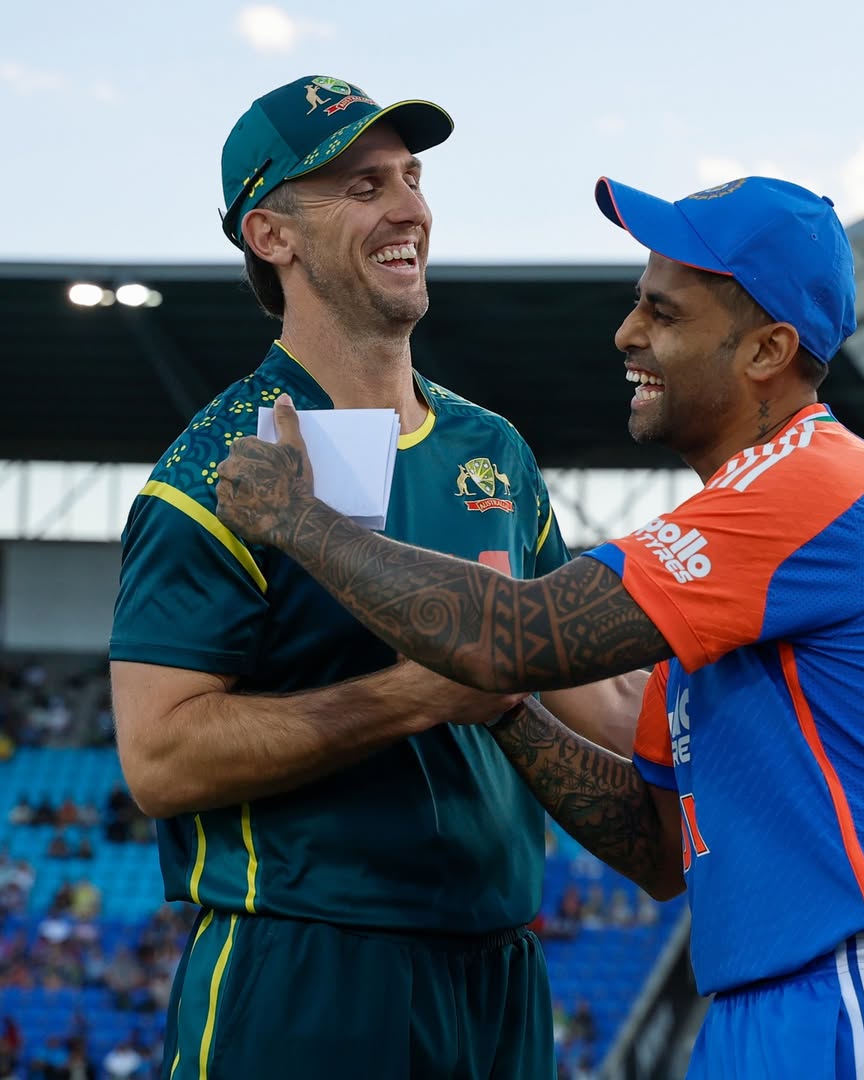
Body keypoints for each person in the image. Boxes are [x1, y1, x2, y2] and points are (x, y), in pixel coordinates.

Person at [216, 174, 864, 1077]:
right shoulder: (732, 561)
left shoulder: (807, 484)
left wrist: (302, 522)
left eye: (663, 314)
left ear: (766, 351)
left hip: (860, 999)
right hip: (779, 1007)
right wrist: (509, 713)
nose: (627, 333)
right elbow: (660, 846)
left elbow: (515, 633)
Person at [109, 73, 644, 1080]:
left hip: (499, 972)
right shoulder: (218, 467)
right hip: (309, 967)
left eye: (410, 176)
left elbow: (607, 699)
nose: (409, 209)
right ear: (273, 234)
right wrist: (410, 695)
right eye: (361, 186)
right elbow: (161, 759)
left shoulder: (494, 449)